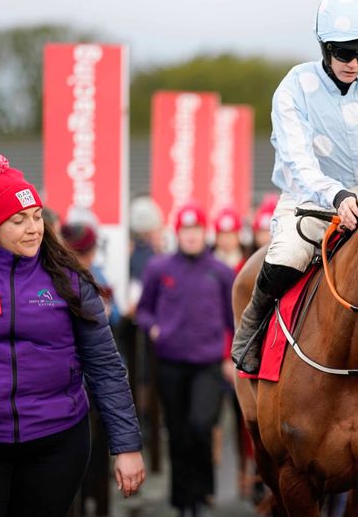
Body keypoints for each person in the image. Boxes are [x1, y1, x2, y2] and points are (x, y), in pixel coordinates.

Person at [0, 153, 144, 516]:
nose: (33, 228)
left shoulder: (70, 280)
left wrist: (126, 446)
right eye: (18, 220)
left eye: (36, 216)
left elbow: (105, 366)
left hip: (58, 443)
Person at [232, 0, 358, 374]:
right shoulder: (294, 87)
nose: (355, 63)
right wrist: (337, 195)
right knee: (289, 256)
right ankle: (251, 330)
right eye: (345, 52)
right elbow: (297, 161)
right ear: (324, 45)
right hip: (308, 197)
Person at [136, 203, 235, 516]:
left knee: (200, 426)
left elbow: (235, 320)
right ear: (177, 233)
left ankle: (203, 490)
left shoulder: (220, 271)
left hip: (207, 364)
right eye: (185, 230)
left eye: (196, 230)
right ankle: (183, 502)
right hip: (170, 364)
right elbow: (143, 310)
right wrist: (153, 329)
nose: (191, 236)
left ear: (204, 233)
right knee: (177, 433)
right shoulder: (159, 268)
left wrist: (232, 357)